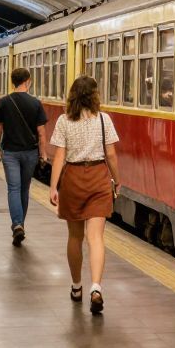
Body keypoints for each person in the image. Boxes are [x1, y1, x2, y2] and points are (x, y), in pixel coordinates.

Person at [48, 76, 121, 314]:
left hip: (73, 179)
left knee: (74, 237)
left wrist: (53, 186)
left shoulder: (64, 121)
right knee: (96, 238)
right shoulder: (103, 119)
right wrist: (117, 180)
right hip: (99, 177)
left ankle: (77, 286)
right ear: (94, 95)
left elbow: (59, 155)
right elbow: (111, 155)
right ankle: (96, 288)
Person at [0, 66, 48, 246]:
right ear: (27, 81)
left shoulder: (4, 102)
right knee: (24, 189)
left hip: (11, 153)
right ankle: (20, 224)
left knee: (13, 189)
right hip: (30, 153)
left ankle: (17, 225)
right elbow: (41, 132)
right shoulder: (35, 103)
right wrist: (43, 153)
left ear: (13, 82)